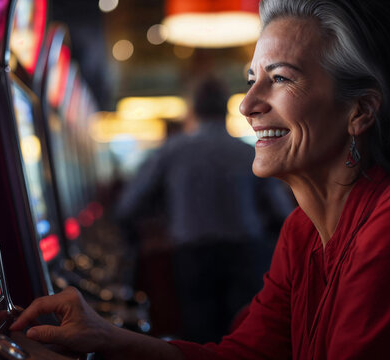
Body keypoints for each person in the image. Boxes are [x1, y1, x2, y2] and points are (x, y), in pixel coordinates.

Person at [10, 0, 390, 358]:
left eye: (280, 78)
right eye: (252, 79)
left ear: (360, 111)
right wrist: (107, 336)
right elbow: (245, 355)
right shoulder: (304, 230)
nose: (249, 105)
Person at [115, 76, 295, 343]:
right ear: (226, 108)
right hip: (246, 253)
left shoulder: (172, 151)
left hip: (192, 257)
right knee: (248, 339)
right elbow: (283, 212)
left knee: (201, 342)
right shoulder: (249, 153)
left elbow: (128, 207)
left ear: (193, 109)